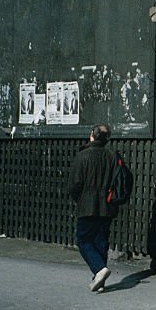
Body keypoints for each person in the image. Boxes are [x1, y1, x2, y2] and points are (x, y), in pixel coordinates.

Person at [67, 124, 119, 292]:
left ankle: (99, 270)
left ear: (92, 135)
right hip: (107, 205)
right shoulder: (112, 156)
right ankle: (99, 281)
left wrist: (79, 199)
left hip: (87, 205)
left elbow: (74, 185)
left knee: (83, 240)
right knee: (100, 242)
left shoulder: (82, 156)